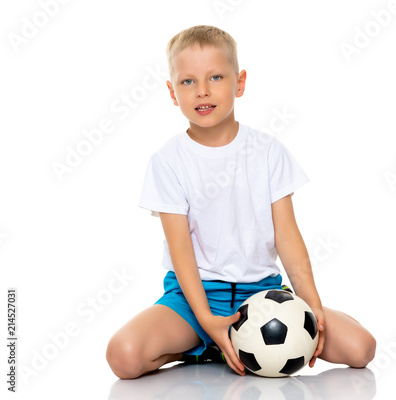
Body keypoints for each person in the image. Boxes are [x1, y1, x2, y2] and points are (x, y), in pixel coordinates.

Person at [106, 25, 376, 379]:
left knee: (361, 348)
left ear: (240, 83)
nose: (202, 91)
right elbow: (181, 248)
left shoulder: (267, 152)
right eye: (188, 82)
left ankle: (235, 341)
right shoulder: (168, 161)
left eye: (216, 77)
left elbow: (287, 236)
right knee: (123, 356)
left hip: (262, 297)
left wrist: (311, 303)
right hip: (193, 299)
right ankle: (207, 345)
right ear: (172, 92)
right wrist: (205, 318)